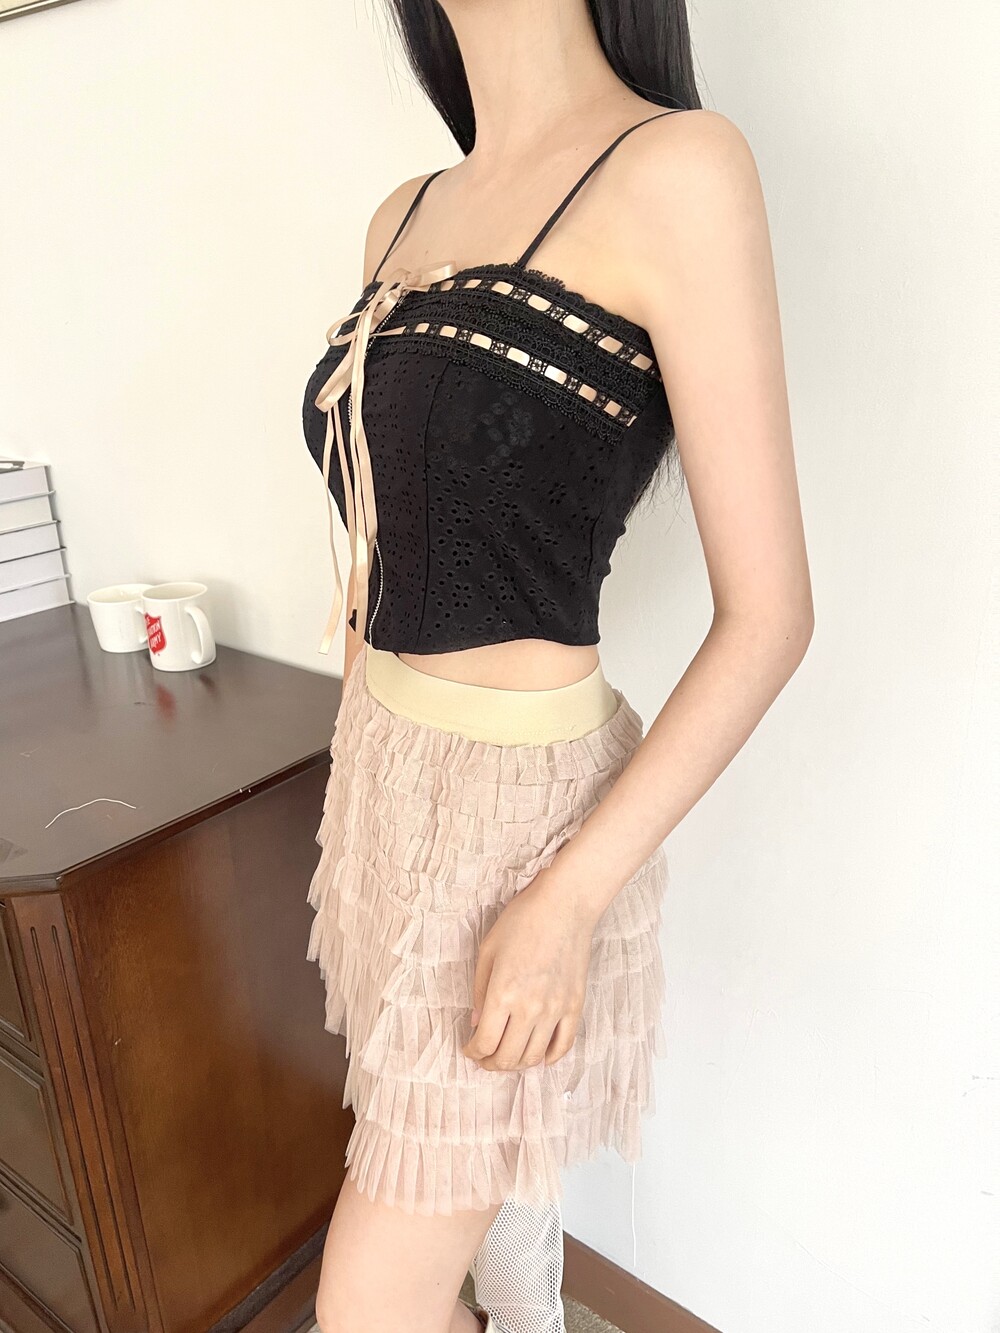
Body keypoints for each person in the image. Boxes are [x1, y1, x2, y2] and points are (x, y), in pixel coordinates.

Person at [300, 2, 813, 1330]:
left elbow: (770, 617)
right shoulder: (402, 215)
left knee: (369, 1304)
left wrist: (570, 900)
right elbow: (378, 529)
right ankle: (520, 1278)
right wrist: (358, 739)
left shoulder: (678, 170)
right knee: (463, 1205)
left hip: (519, 826)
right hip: (381, 778)